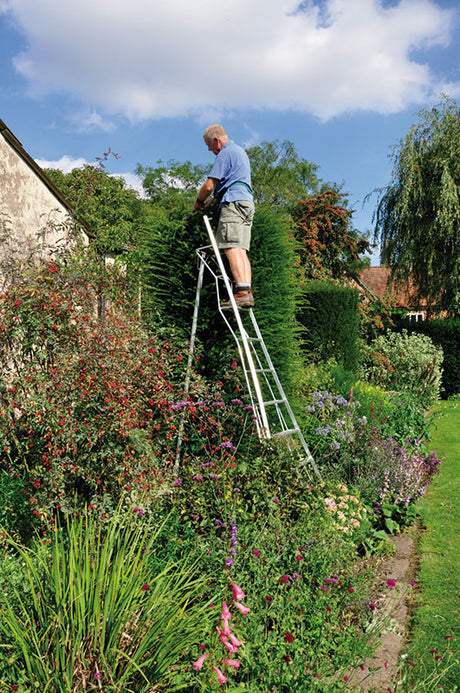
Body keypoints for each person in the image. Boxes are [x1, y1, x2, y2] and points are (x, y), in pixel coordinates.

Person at [193, 124, 255, 308]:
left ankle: (241, 293)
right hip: (245, 203)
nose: (209, 150)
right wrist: (215, 200)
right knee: (241, 249)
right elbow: (232, 182)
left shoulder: (225, 153)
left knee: (231, 247)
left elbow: (209, 186)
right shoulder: (239, 152)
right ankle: (246, 291)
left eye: (209, 145)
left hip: (233, 203)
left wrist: (199, 202)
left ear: (216, 140)